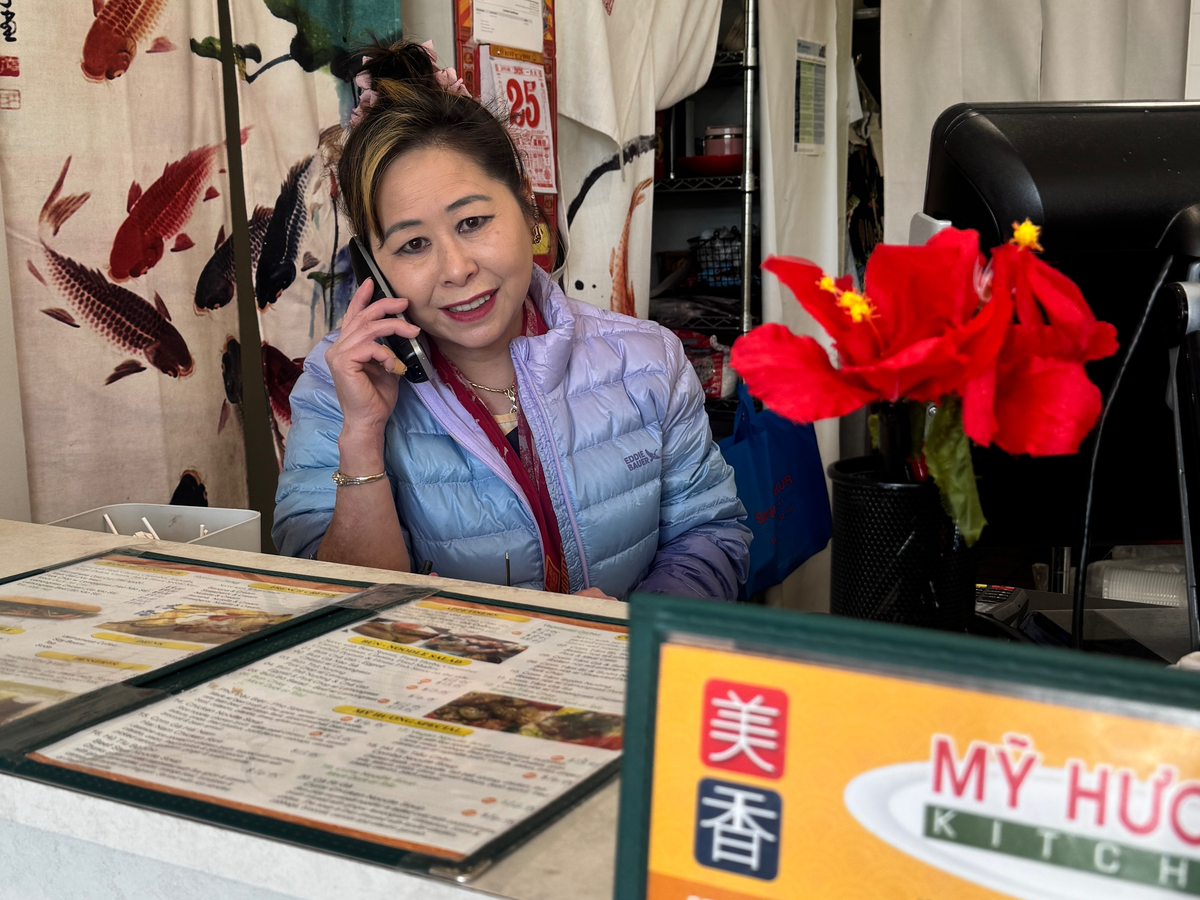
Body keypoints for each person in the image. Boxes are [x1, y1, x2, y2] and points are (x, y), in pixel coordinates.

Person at [273, 39, 750, 601]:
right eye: (413, 245)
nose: (457, 269)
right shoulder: (334, 387)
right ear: (373, 268)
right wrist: (361, 435)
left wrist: (627, 628)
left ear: (525, 204)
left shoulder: (650, 359)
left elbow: (711, 534)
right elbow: (330, 600)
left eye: (473, 222)